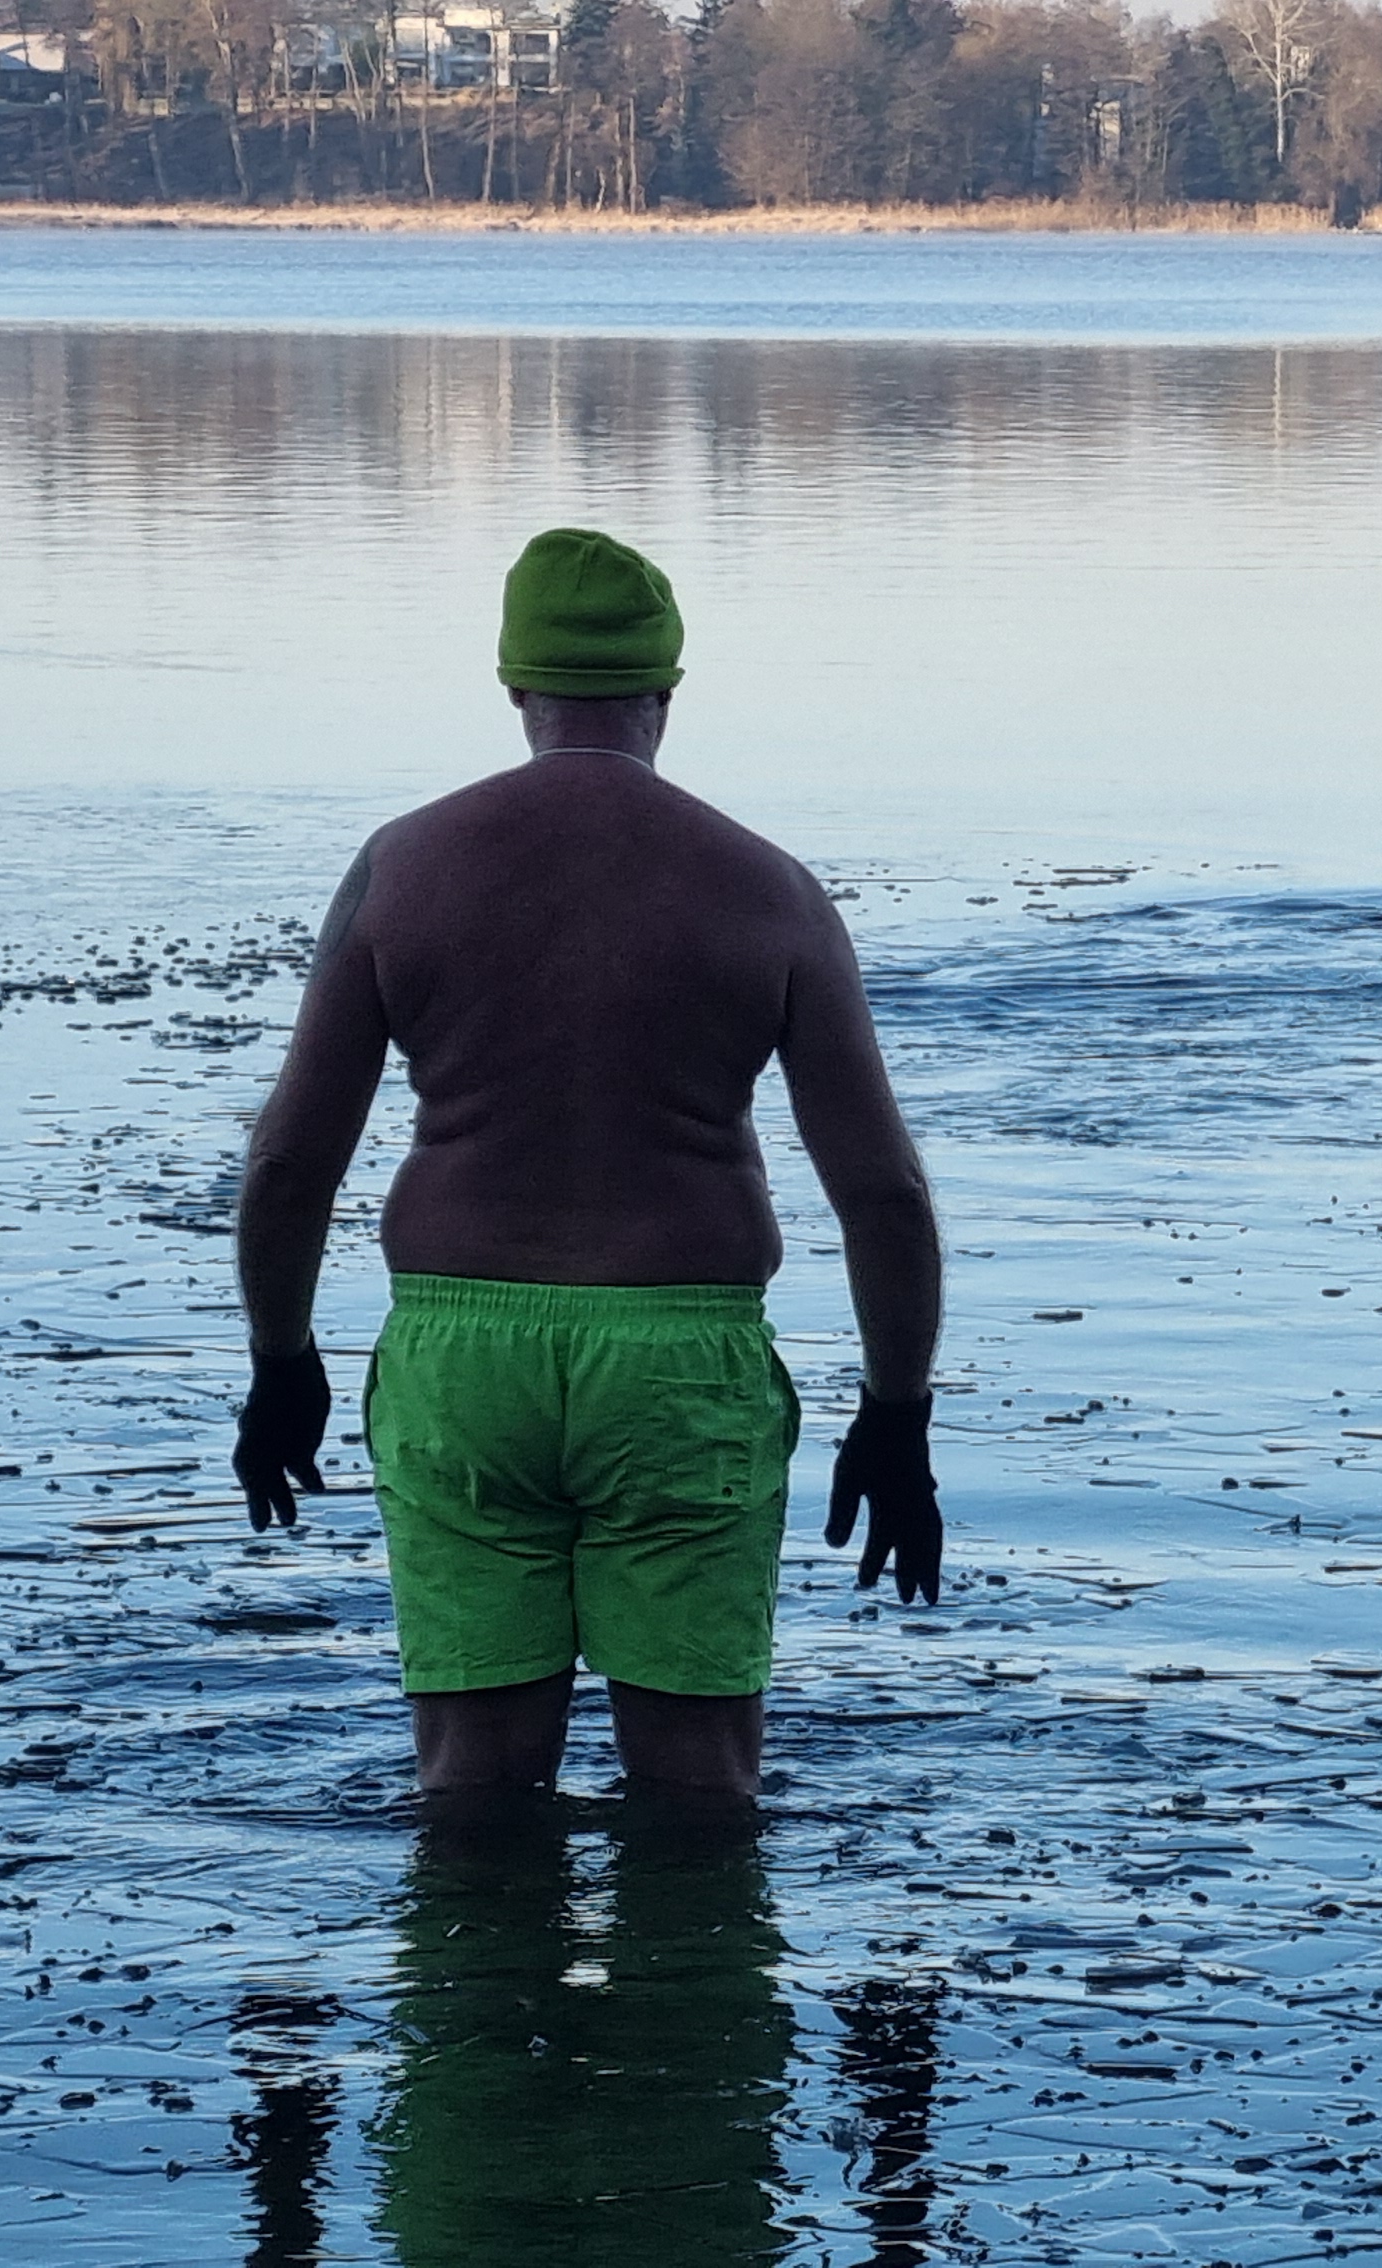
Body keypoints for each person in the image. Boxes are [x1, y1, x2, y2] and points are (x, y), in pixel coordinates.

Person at [227, 527, 947, 1808]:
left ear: (515, 687)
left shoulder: (403, 868)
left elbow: (291, 1165)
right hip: (678, 1361)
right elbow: (881, 1194)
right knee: (702, 1795)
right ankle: (695, 2000)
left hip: (464, 1356)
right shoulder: (769, 889)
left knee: (470, 1791)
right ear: (667, 689)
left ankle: (476, 1999)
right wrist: (898, 1417)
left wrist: (283, 1365)